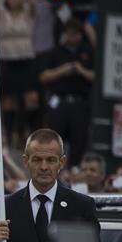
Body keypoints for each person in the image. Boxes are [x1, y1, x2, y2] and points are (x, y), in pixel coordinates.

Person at [0, 0, 39, 147]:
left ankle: (26, 130)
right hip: (7, 59)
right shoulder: (2, 14)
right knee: (9, 99)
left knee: (31, 97)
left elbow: (34, 1)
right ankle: (10, 133)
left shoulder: (28, 13)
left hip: (26, 58)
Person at [39, 19, 94, 166]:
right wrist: (62, 70)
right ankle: (55, 167)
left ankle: (75, 168)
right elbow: (43, 77)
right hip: (59, 102)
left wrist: (80, 70)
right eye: (69, 34)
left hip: (80, 102)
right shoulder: (55, 52)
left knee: (79, 139)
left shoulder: (88, 52)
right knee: (55, 139)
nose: (72, 37)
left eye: (75, 34)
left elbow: (96, 77)